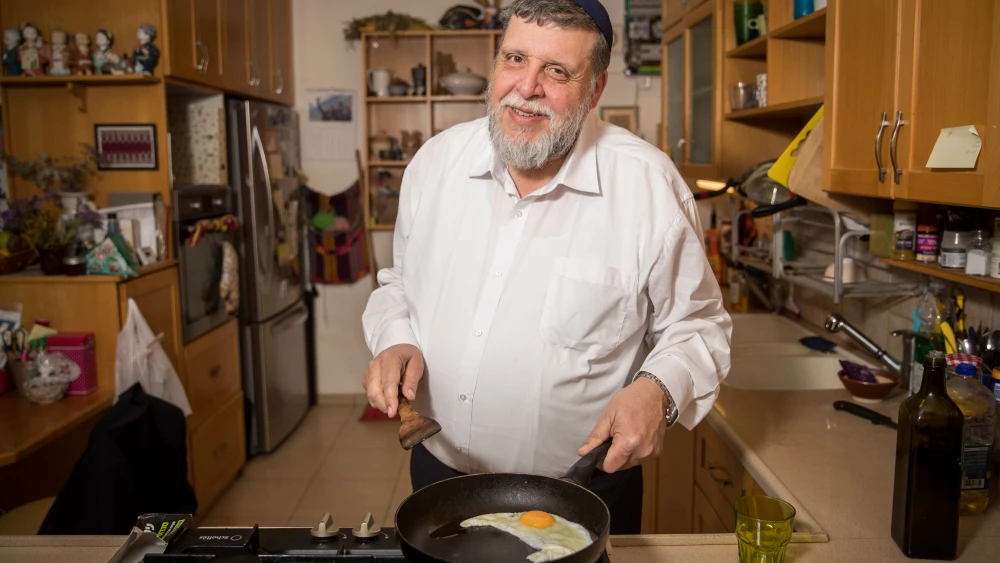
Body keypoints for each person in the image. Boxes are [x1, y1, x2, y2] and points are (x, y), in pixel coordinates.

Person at [362, 0, 731, 534]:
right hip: (438, 473)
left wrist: (658, 390)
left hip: (583, 490)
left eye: (556, 71)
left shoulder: (648, 187)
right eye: (515, 59)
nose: (526, 87)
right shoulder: (434, 165)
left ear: (595, 89)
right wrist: (396, 339)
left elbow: (698, 325)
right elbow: (398, 284)